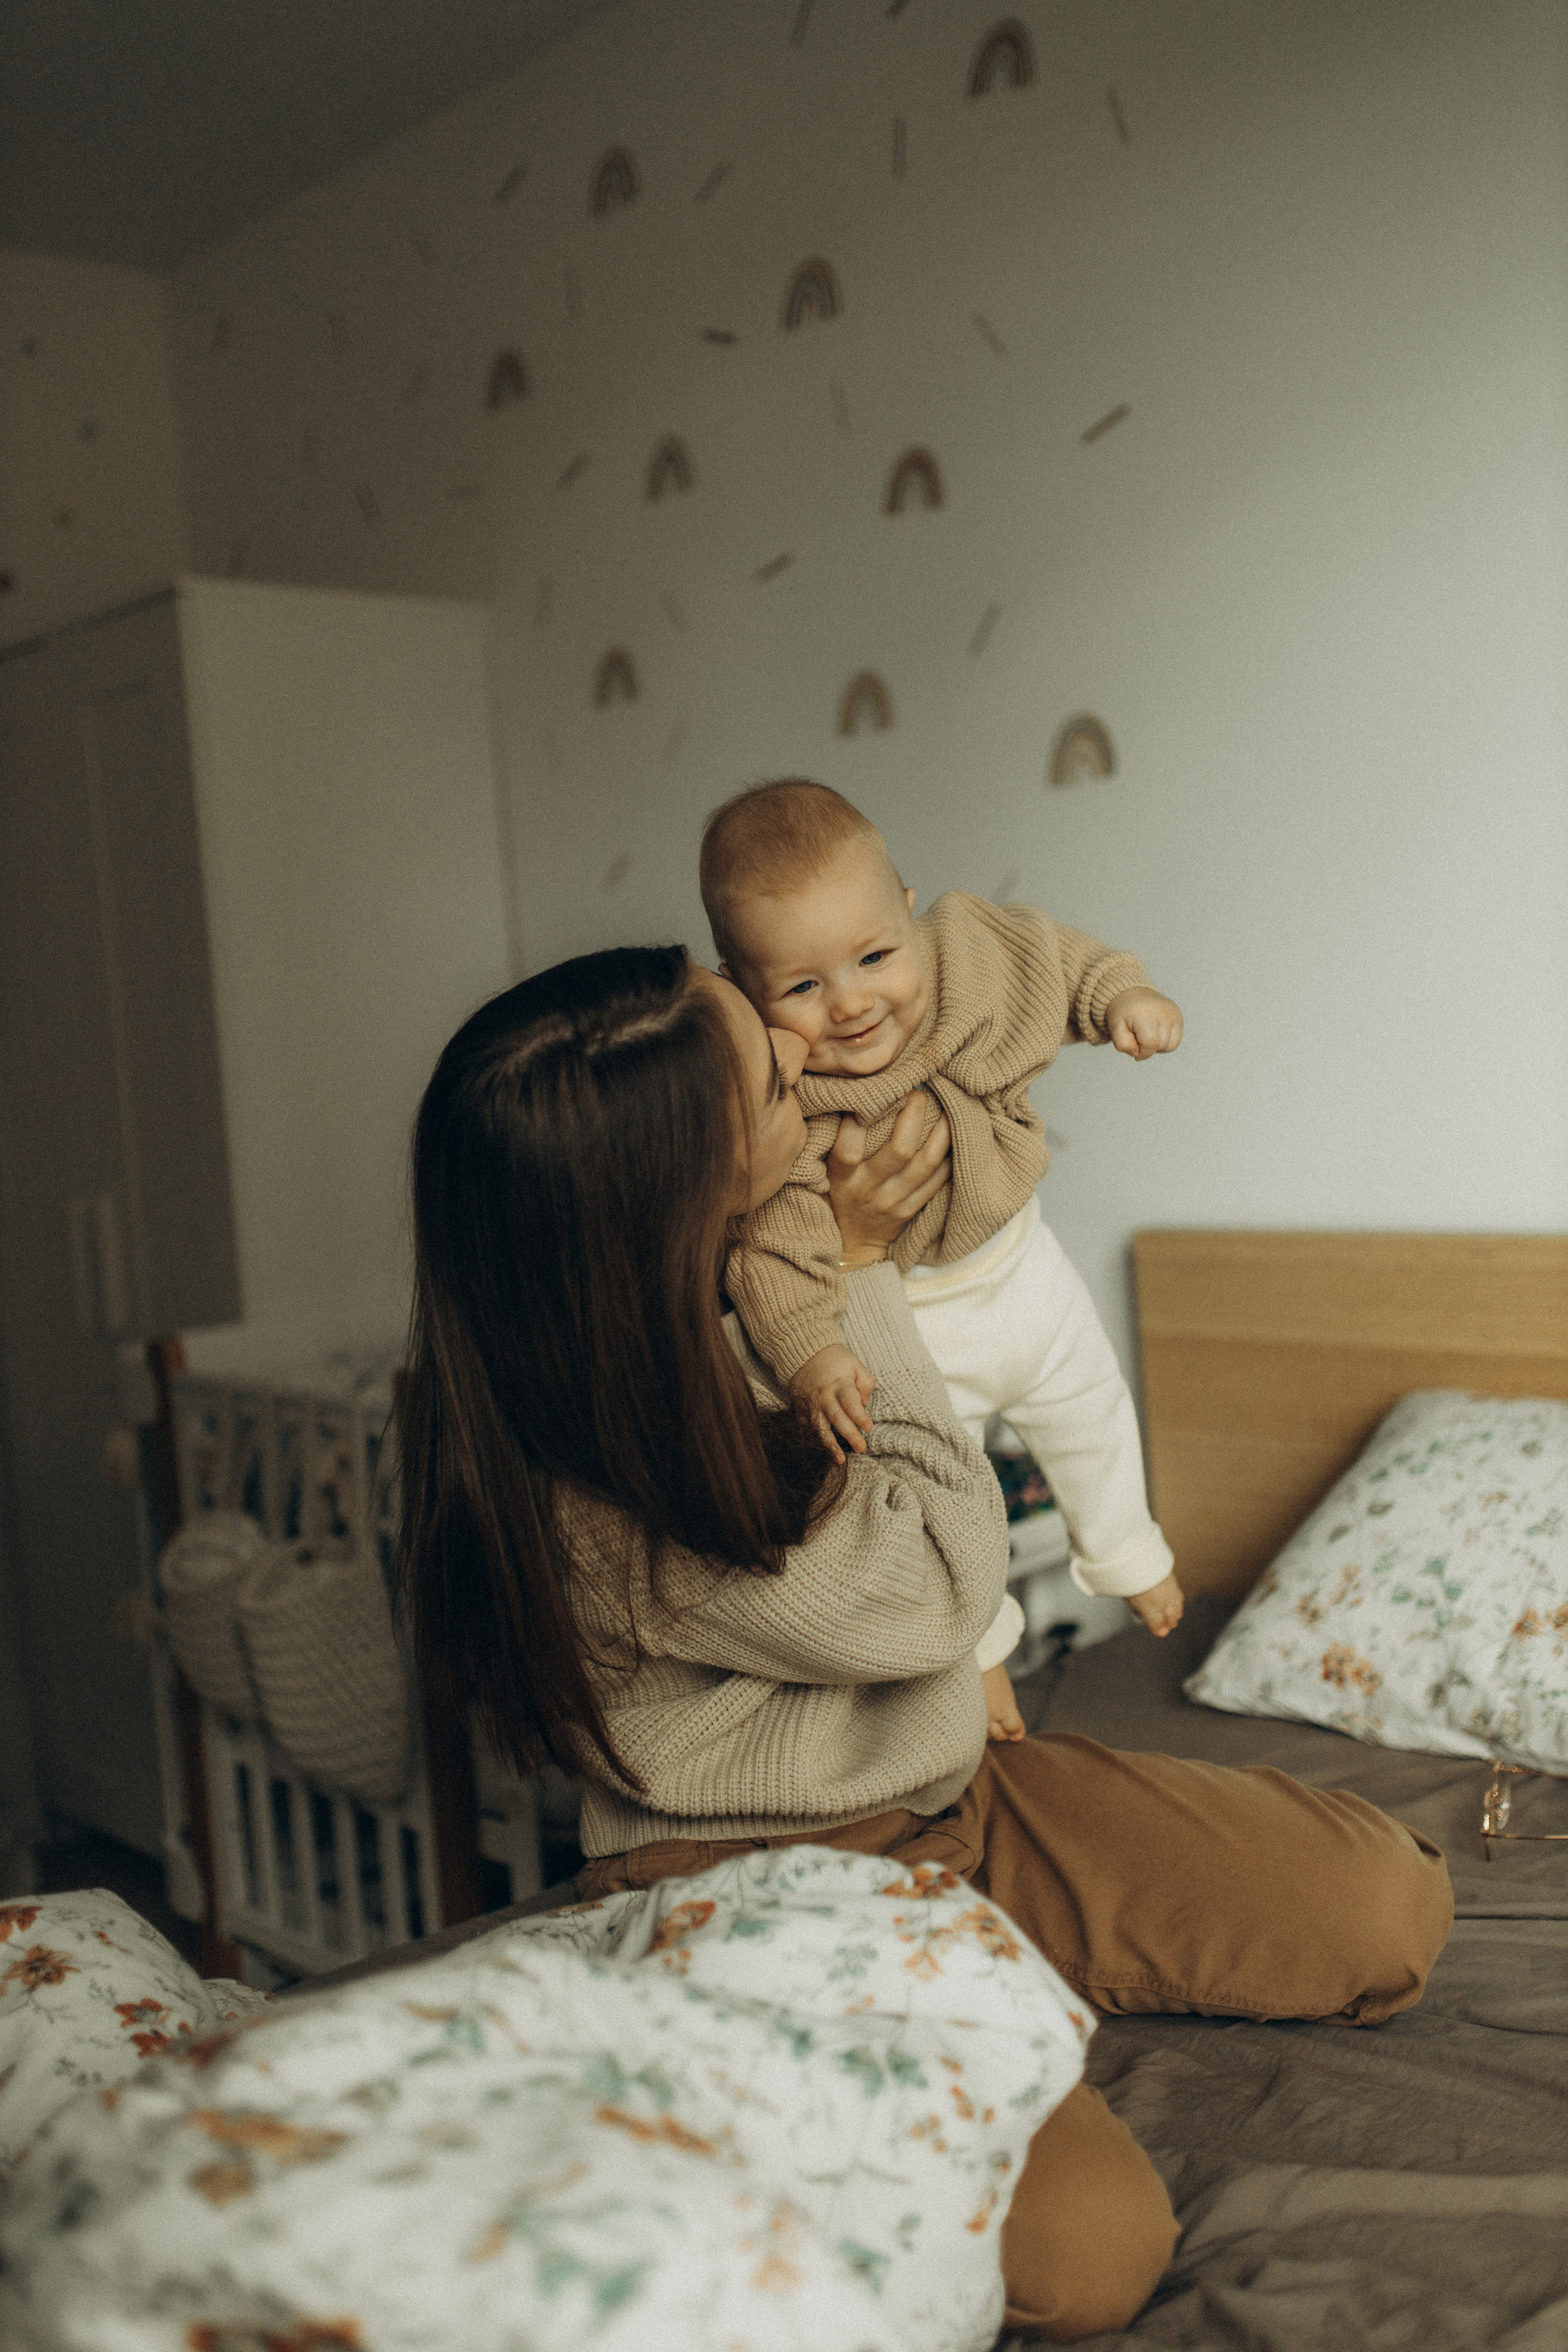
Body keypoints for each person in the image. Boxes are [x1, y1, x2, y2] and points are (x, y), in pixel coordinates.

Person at [397, 943, 1453, 2343]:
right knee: (1088, 2266)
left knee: (1387, 1916)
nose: (822, 1076)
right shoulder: (599, 1487)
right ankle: (717, 2043)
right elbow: (940, 1585)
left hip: (949, 1798)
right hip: (764, 1885)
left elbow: (989, 971)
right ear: (681, 1195)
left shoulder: (722, 1289)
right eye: (781, 1088)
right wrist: (861, 1275)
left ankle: (986, 1959)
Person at [700, 780, 1183, 1739]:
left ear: (912, 910)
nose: (851, 1004)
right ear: (744, 986)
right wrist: (813, 1354)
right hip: (905, 1323)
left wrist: (1119, 996)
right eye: (801, 987)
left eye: (876, 956)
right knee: (934, 1504)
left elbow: (1060, 962)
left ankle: (1129, 1551)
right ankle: (981, 1652)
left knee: (1091, 1403)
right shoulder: (777, 1098)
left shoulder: (971, 954)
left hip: (1020, 1268)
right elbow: (773, 1248)